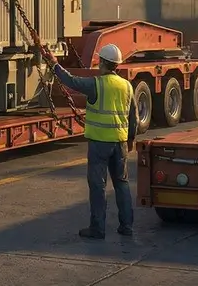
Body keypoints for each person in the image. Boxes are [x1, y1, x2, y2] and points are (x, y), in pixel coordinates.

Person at [52, 43, 137, 239]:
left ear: (102, 63)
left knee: (98, 186)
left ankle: (98, 229)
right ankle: (127, 226)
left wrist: (55, 65)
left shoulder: (96, 84)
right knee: (122, 184)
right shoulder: (127, 86)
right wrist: (131, 138)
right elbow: (133, 116)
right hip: (120, 143)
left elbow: (71, 81)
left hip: (100, 144)